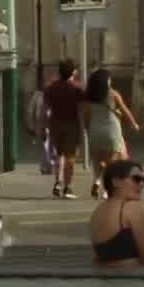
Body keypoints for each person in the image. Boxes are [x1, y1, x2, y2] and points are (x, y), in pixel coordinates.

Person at [89, 159, 144, 266]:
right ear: (116, 182)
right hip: (130, 275)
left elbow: (97, 259)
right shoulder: (132, 207)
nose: (141, 184)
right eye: (136, 179)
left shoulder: (97, 212)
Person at [78, 68, 140, 197]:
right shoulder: (112, 94)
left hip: (95, 132)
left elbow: (86, 118)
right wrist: (134, 124)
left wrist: (88, 130)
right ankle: (107, 190)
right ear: (106, 81)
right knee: (114, 163)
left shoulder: (87, 97)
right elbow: (125, 111)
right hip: (111, 132)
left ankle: (96, 182)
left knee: (97, 161)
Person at [44, 60, 85, 198]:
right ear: (73, 72)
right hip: (72, 124)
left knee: (59, 154)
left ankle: (58, 182)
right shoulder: (77, 88)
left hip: (55, 123)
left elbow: (46, 107)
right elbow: (82, 107)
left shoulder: (51, 88)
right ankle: (68, 187)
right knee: (70, 156)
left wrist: (44, 125)